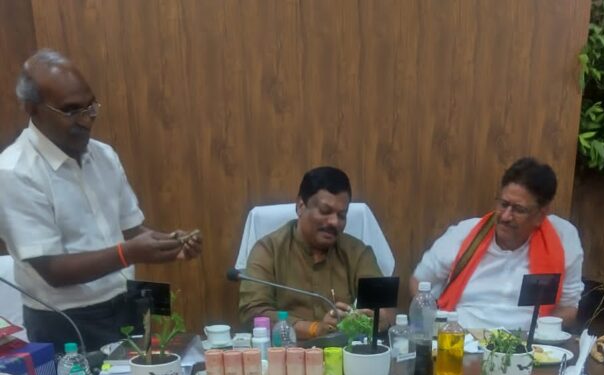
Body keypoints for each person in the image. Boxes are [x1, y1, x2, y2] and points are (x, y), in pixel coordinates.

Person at [0, 50, 202, 352]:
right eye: (71, 111)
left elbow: (131, 231)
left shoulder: (103, 155)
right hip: (65, 320)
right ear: (32, 108)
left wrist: (170, 244)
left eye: (90, 107)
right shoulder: (15, 172)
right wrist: (128, 253)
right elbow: (53, 270)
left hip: (125, 301)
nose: (86, 120)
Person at [410, 158, 584, 331]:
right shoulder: (464, 234)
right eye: (503, 204)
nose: (506, 216)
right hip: (460, 337)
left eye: (518, 210)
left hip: (526, 342)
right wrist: (433, 326)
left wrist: (540, 335)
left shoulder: (562, 239)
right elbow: (419, 281)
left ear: (540, 215)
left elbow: (568, 309)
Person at [238, 166, 392, 340]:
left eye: (342, 215)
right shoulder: (268, 250)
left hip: (345, 351)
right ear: (300, 206)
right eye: (325, 211)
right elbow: (252, 313)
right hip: (288, 352)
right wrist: (314, 329)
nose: (334, 222)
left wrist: (379, 319)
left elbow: (386, 309)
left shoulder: (357, 251)